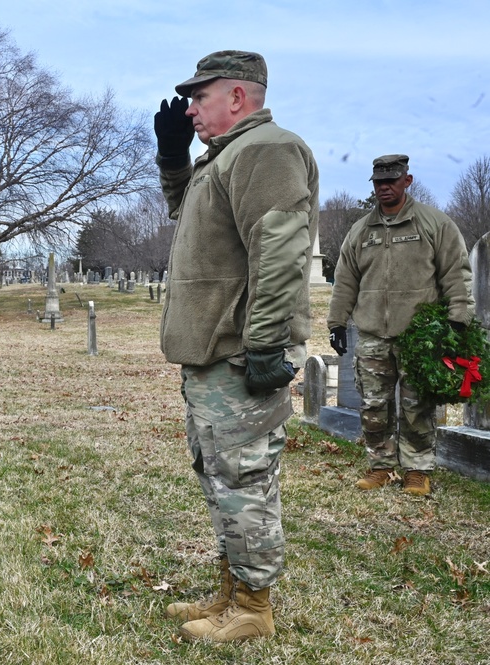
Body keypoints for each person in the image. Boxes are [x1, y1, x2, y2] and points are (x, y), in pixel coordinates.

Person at [154, 50, 318, 642]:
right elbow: (186, 216)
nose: (191, 108)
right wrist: (174, 157)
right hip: (212, 352)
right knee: (222, 476)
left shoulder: (266, 150)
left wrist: (267, 344)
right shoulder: (220, 160)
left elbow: (279, 253)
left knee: (244, 479)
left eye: (201, 97)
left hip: (239, 352)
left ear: (238, 98)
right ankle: (231, 590)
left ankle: (252, 609)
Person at [327, 154, 473, 497]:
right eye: (379, 182)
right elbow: (345, 279)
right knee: (374, 405)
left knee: (417, 405)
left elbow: (456, 272)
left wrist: (458, 319)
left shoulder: (434, 224)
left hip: (418, 334)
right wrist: (336, 321)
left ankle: (417, 469)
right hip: (373, 333)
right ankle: (380, 466)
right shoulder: (361, 231)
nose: (385, 188)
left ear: (407, 181)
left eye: (391, 181)